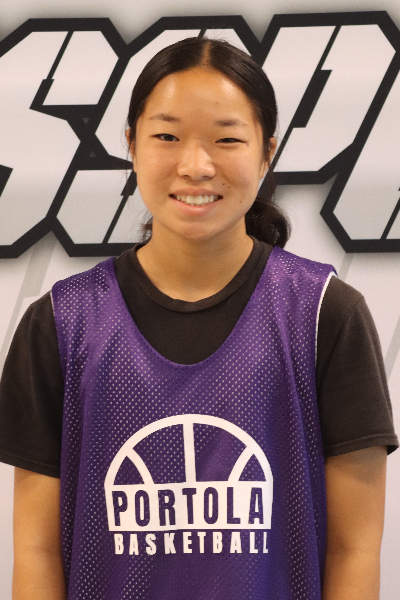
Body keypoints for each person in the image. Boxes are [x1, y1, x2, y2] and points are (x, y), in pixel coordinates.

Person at [0, 37, 398, 600]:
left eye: (226, 139)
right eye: (167, 136)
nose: (195, 166)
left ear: (267, 152)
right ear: (131, 144)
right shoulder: (61, 324)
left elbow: (352, 549)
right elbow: (36, 551)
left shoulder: (325, 314)